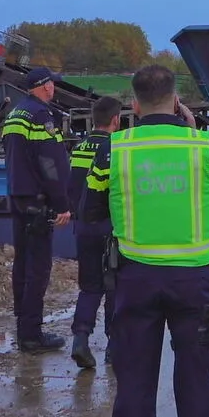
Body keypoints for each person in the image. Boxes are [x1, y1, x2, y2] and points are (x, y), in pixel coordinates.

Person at [79, 64, 209, 417]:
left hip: (135, 279)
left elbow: (90, 209)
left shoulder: (115, 149)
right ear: (176, 101)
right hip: (194, 280)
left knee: (134, 382)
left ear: (133, 105)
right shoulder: (204, 145)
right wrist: (191, 128)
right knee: (195, 383)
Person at [1, 65, 73, 352]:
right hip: (38, 202)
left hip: (18, 197)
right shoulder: (41, 116)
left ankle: (23, 326)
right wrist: (62, 203)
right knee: (38, 268)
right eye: (52, 84)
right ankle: (31, 334)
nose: (54, 88)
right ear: (45, 87)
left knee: (22, 263)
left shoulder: (14, 115)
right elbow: (50, 164)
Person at [66, 95, 123, 369]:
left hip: (84, 228)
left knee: (89, 288)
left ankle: (80, 338)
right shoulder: (118, 148)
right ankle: (114, 346)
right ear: (116, 120)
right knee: (114, 287)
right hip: (110, 228)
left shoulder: (79, 148)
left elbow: (72, 188)